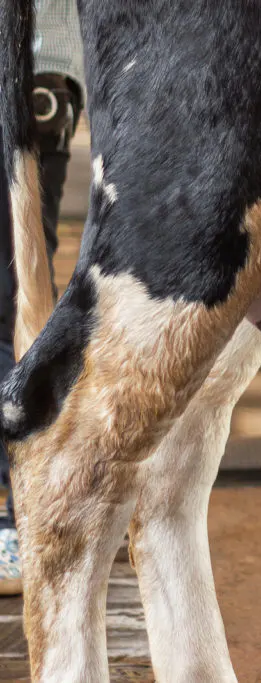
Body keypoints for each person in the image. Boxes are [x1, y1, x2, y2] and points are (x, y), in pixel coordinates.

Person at [0, 0, 85, 595]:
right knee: (18, 298)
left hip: (26, 71)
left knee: (11, 306)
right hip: (46, 79)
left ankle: (21, 519)